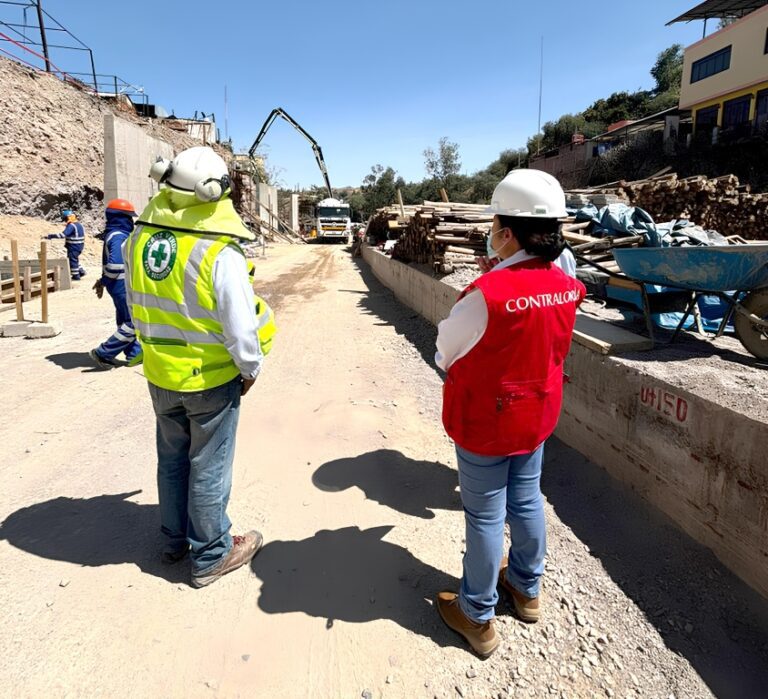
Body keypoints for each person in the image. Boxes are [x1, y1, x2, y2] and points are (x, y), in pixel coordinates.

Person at [434, 169, 586, 657]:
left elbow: (445, 352)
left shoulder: (487, 295)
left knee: (483, 516)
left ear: (507, 231)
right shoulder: (565, 283)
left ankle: (476, 615)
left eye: (496, 220)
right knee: (526, 500)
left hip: (488, 423)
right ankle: (525, 588)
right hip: (537, 416)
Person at [125, 146, 264, 588]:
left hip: (160, 374)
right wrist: (249, 369)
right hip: (209, 379)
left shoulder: (139, 239)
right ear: (212, 193)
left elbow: (134, 305)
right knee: (208, 464)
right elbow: (241, 328)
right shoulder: (218, 251)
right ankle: (211, 554)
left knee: (172, 459)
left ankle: (173, 541)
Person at [89, 199, 142, 369]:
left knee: (124, 319)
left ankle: (134, 354)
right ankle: (103, 353)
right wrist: (105, 280)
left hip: (116, 283)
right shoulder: (119, 235)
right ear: (121, 217)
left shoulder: (113, 233)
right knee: (133, 322)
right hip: (121, 283)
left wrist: (104, 281)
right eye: (128, 218)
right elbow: (115, 265)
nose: (130, 221)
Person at [46, 209, 86, 280]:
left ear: (67, 217)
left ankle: (76, 276)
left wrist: (51, 236)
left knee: (72, 260)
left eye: (64, 218)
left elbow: (63, 235)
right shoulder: (79, 224)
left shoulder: (71, 225)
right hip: (79, 246)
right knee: (75, 259)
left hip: (74, 247)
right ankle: (81, 271)